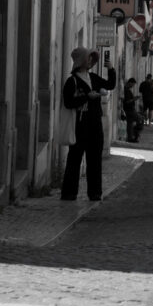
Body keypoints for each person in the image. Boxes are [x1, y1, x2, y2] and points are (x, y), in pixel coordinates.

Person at [61, 46, 116, 202]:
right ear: (81, 60)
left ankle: (95, 193)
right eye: (89, 58)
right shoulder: (72, 81)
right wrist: (87, 97)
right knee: (74, 159)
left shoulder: (94, 78)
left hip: (95, 124)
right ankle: (69, 193)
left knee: (95, 160)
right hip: (80, 125)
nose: (91, 60)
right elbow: (68, 102)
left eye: (92, 58)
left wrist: (110, 68)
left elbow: (111, 85)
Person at [123, 77, 139, 143]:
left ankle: (131, 137)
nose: (133, 86)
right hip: (129, 110)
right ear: (130, 83)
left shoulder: (128, 90)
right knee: (139, 120)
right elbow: (127, 101)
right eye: (133, 85)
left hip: (131, 109)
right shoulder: (126, 90)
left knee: (130, 124)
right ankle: (134, 136)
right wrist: (134, 99)